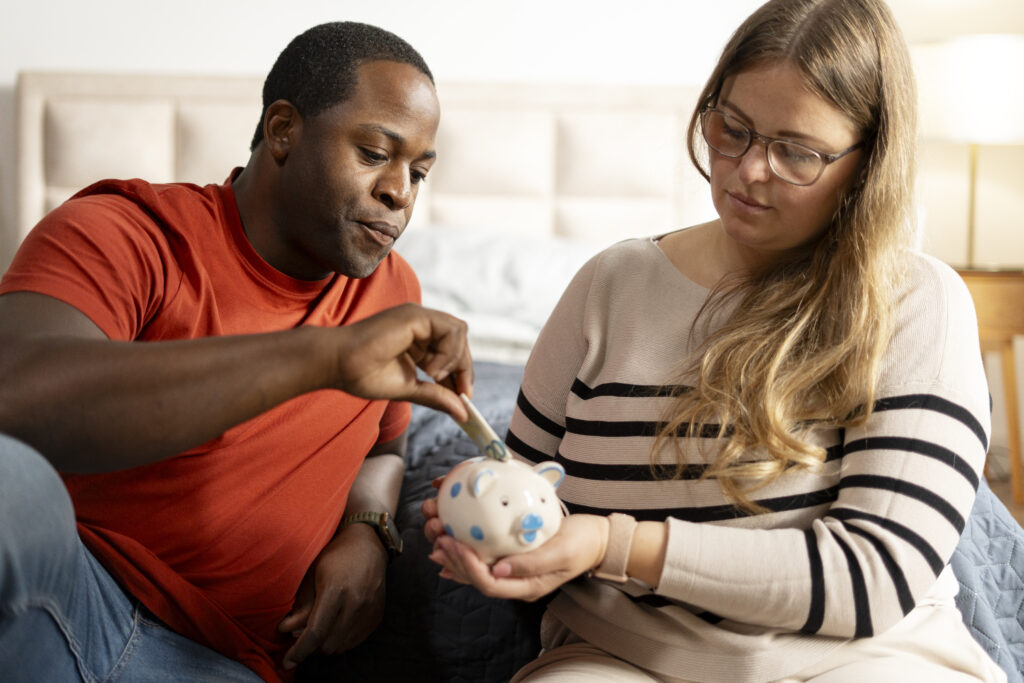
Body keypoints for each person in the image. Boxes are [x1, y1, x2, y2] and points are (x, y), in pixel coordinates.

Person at [424, 0, 1008, 680]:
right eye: (732, 129)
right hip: (621, 654)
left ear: (867, 162)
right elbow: (524, 484)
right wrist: (484, 530)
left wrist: (616, 543)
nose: (749, 168)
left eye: (796, 151)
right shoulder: (610, 283)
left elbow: (873, 574)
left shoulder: (916, 300)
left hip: (866, 656)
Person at [0, 21, 474, 683]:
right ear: (283, 130)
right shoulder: (128, 233)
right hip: (69, 596)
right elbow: (16, 394)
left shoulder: (392, 293)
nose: (400, 192)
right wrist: (325, 356)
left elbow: (385, 444)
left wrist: (367, 528)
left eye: (419, 172)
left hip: (227, 664)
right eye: (374, 152)